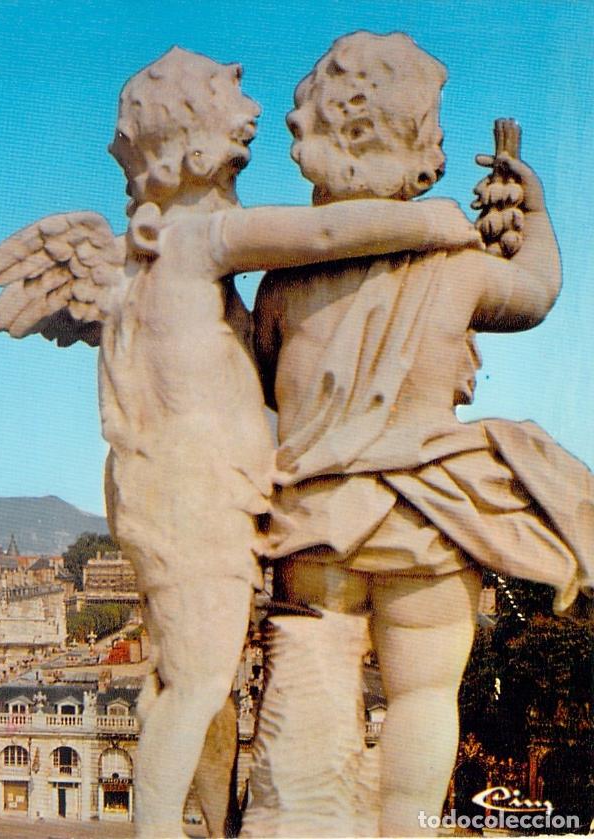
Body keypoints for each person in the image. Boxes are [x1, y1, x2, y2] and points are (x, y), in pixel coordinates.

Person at [0, 45, 479, 839]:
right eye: (228, 99)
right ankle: (157, 829)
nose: (263, 118)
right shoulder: (195, 242)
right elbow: (321, 234)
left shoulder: (160, 261)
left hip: (191, 489)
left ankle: (214, 821)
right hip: (196, 494)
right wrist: (430, 223)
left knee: (194, 679)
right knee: (200, 678)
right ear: (200, 146)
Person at [243, 31, 591, 838]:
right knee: (425, 695)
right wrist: (532, 215)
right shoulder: (459, 263)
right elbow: (537, 292)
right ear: (426, 147)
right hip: (430, 518)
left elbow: (262, 381)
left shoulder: (283, 281)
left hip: (317, 522)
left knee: (313, 686)